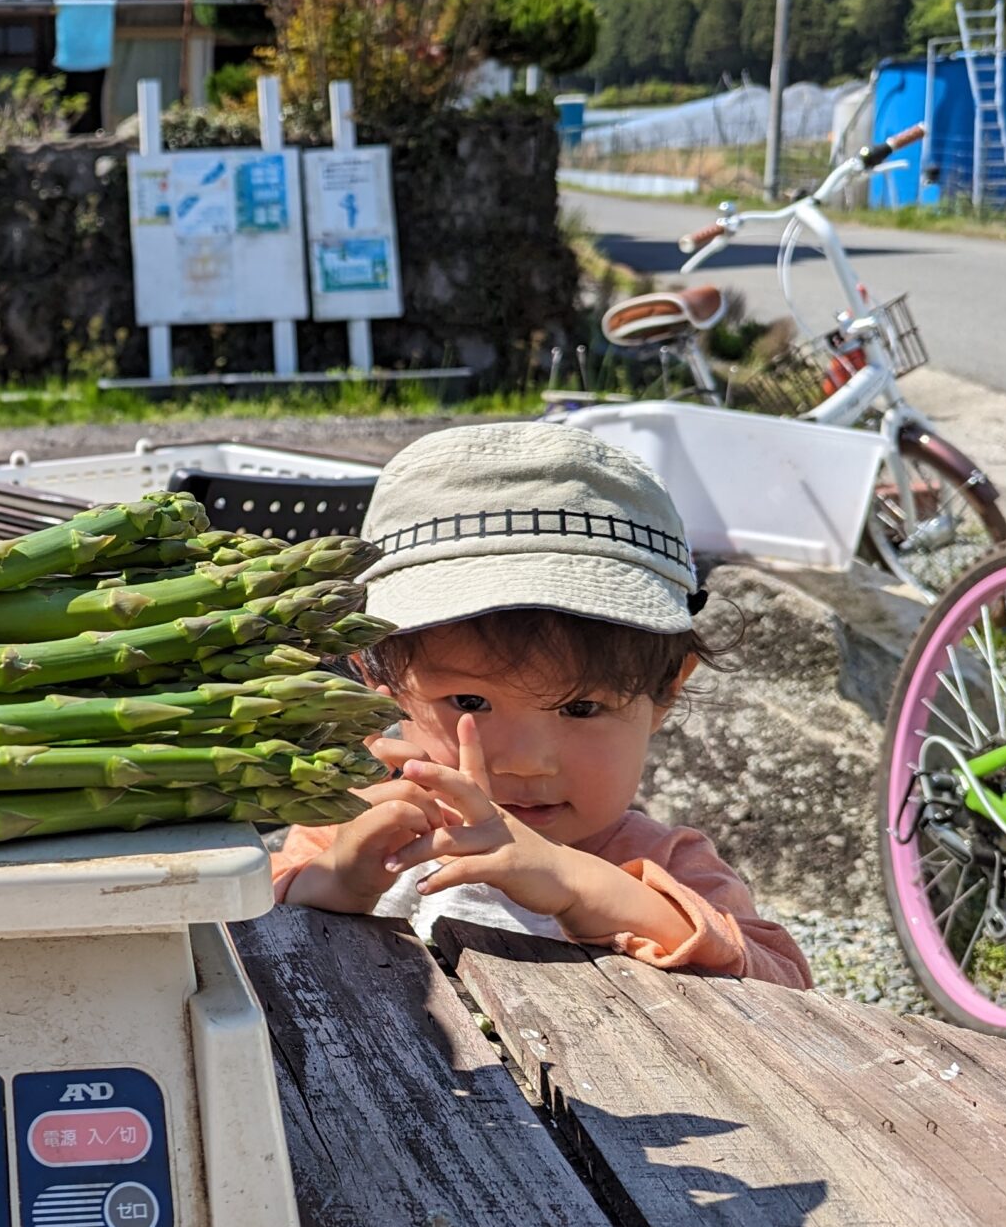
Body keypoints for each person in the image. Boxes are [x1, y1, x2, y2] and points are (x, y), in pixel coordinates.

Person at [274, 423, 810, 988]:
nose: (527, 763)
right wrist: (335, 883)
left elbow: (785, 986)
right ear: (376, 694)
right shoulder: (352, 823)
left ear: (666, 692)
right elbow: (228, 925)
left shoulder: (665, 864)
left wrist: (580, 885)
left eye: (580, 708)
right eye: (471, 701)